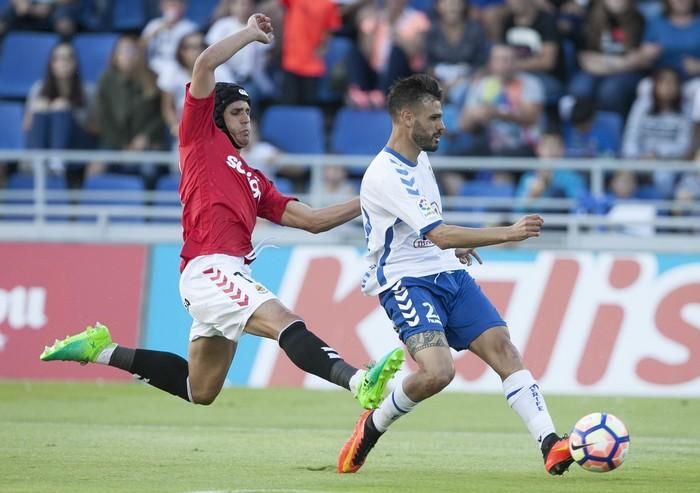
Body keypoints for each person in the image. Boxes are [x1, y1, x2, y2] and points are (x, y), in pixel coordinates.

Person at [39, 14, 404, 413]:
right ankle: (357, 381)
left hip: (227, 274)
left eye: (249, 112)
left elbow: (313, 222)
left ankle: (101, 350)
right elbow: (204, 65)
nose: (246, 118)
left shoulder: (255, 179)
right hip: (210, 269)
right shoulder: (199, 141)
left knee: (201, 390)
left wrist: (372, 197)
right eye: (236, 112)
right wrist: (249, 34)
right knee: (285, 320)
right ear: (216, 117)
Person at [337, 74, 574, 476]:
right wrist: (508, 233)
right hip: (404, 282)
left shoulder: (421, 159)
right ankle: (372, 426)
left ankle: (550, 443)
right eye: (434, 118)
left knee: (504, 349)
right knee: (437, 373)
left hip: (446, 271)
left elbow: (431, 228)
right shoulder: (385, 173)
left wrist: (453, 244)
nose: (442, 126)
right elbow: (441, 233)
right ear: (406, 117)